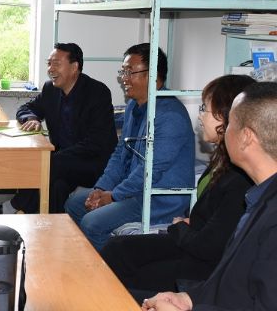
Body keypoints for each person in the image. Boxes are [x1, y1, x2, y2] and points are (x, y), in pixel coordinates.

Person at [100, 74, 255, 300]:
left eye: (204, 109)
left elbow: (210, 246)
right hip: (192, 241)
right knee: (117, 248)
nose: (200, 116)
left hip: (204, 263)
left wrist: (182, 227)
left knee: (132, 276)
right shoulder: (222, 160)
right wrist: (189, 225)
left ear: (227, 117)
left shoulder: (241, 178)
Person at [142, 82, 277, 311]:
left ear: (246, 137)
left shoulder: (272, 218)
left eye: (230, 122)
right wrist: (189, 298)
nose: (224, 130)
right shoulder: (260, 195)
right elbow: (233, 282)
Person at [65, 43, 195, 251]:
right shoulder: (135, 106)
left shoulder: (170, 115)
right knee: (75, 202)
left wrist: (113, 196)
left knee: (92, 223)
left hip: (156, 198)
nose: (124, 78)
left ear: (152, 75)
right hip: (133, 191)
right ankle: (90, 258)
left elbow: (150, 170)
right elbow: (121, 153)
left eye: (129, 72)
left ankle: (111, 267)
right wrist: (101, 188)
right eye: (123, 72)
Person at [3, 43, 117, 214]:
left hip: (92, 162)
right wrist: (32, 118)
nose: (50, 69)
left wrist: (59, 157)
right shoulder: (50, 89)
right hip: (63, 162)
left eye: (56, 64)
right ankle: (47, 224)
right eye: (49, 63)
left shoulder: (97, 92)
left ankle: (14, 206)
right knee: (57, 185)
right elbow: (26, 108)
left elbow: (96, 142)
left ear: (74, 67)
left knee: (49, 163)